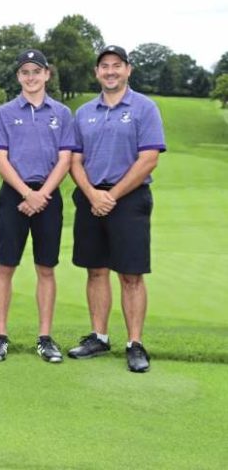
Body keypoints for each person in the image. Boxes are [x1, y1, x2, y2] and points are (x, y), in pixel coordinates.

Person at [68, 45, 165, 373]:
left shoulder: (144, 107)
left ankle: (134, 343)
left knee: (131, 275)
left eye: (116, 66)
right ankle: (99, 336)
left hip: (130, 199)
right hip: (90, 196)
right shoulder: (84, 112)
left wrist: (112, 195)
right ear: (97, 72)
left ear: (128, 70)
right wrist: (93, 194)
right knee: (95, 270)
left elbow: (149, 157)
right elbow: (75, 160)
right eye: (104, 66)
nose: (110, 71)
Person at [0, 49, 75, 363]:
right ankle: (0, 336)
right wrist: (26, 193)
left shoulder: (62, 113)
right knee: (5, 267)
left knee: (46, 268)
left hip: (48, 196)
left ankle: (44, 338)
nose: (31, 77)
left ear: (47, 74)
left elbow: (65, 159)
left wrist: (40, 195)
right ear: (18, 77)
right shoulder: (6, 112)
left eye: (36, 71)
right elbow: (0, 158)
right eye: (25, 72)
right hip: (14, 195)